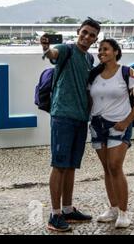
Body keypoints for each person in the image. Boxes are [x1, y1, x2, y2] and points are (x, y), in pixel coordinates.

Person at [40, 17, 101, 232]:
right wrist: (47, 49)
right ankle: (54, 215)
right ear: (78, 31)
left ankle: (67, 209)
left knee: (72, 165)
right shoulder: (66, 50)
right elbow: (53, 55)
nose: (87, 37)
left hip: (80, 118)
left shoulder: (89, 60)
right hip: (63, 116)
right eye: (84, 32)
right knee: (59, 165)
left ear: (96, 39)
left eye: (92, 35)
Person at [88, 38, 134, 228]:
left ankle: (123, 212)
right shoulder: (94, 75)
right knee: (106, 168)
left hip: (118, 125)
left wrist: (126, 122)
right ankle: (112, 209)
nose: (101, 52)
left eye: (105, 49)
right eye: (99, 49)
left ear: (115, 52)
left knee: (115, 166)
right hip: (97, 125)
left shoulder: (127, 72)